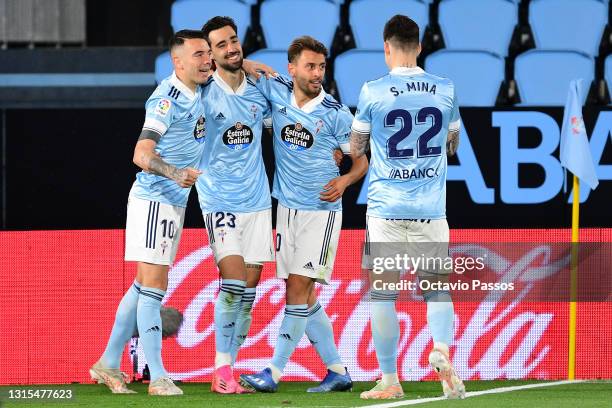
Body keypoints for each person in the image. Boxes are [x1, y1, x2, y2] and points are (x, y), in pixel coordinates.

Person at [239, 36, 368, 393]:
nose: (317, 74)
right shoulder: (276, 90)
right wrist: (250, 65)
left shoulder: (338, 114)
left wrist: (344, 181)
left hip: (321, 213)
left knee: (297, 290)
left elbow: (361, 162)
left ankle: (273, 372)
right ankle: (337, 370)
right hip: (286, 209)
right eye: (310, 66)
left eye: (322, 67)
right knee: (303, 295)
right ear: (292, 68)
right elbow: (235, 64)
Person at [89, 29, 212, 396]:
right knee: (155, 288)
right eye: (198, 55)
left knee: (143, 285)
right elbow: (141, 154)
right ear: (178, 62)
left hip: (170, 203)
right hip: (154, 201)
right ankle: (158, 376)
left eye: (208, 53)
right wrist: (176, 174)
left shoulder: (199, 89)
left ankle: (109, 363)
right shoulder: (166, 99)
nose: (207, 60)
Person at [350, 15, 465, 400]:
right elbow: (453, 142)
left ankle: (390, 380)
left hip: (386, 210)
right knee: (436, 290)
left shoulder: (373, 90)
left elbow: (356, 146)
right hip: (431, 209)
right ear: (419, 47)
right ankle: (442, 351)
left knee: (384, 294)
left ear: (387, 47)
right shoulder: (445, 88)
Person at [196, 16, 275, 394]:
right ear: (209, 55)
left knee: (250, 287)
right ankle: (221, 369)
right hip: (218, 200)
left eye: (234, 40)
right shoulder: (202, 91)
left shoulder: (261, 88)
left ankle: (232, 363)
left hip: (258, 200)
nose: (231, 48)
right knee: (232, 281)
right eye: (222, 45)